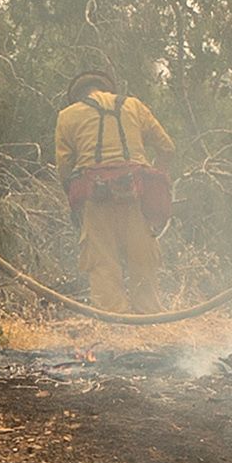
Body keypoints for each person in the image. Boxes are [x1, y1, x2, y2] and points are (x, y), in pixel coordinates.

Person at [54, 68, 176, 314]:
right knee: (143, 257)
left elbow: (65, 167)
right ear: (108, 89)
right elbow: (167, 147)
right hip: (137, 194)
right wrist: (156, 178)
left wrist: (75, 199)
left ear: (77, 96)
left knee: (102, 260)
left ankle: (114, 319)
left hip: (94, 198)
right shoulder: (134, 106)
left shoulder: (67, 115)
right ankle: (149, 316)